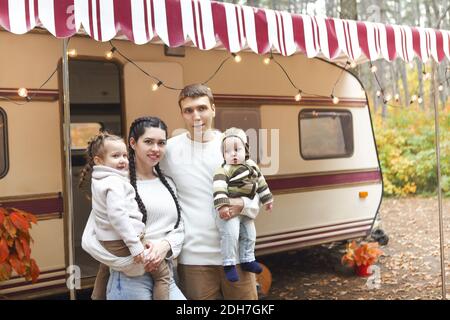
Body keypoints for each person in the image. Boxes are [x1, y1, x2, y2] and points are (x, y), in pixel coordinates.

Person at [159, 84, 261, 300]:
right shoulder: (169, 150)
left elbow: (256, 194)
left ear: (213, 109)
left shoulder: (233, 145)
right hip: (194, 259)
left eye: (202, 108)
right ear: (182, 114)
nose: (196, 116)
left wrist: (241, 205)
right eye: (188, 110)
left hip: (236, 256)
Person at [82, 117, 185, 300]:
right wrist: (129, 262)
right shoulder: (117, 182)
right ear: (133, 143)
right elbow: (89, 240)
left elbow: (180, 226)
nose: (155, 148)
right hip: (129, 278)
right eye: (148, 142)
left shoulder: (168, 182)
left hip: (164, 273)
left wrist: (165, 246)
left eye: (161, 143)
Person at [213, 127, 274, 282]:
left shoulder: (252, 166)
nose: (233, 154)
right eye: (227, 151)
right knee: (231, 235)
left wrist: (267, 199)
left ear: (245, 150)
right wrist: (222, 206)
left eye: (237, 149)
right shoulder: (222, 170)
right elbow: (219, 188)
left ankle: (248, 259)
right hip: (230, 210)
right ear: (223, 154)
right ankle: (229, 264)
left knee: (250, 234)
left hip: (246, 210)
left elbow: (261, 182)